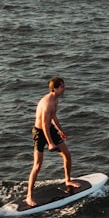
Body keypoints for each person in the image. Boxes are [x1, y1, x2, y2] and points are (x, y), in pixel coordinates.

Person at [26, 77, 80, 206]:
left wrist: (60, 130)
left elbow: (53, 117)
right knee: (37, 165)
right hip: (40, 133)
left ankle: (67, 180)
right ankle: (29, 196)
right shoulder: (47, 103)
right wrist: (50, 143)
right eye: (61, 86)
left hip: (50, 129)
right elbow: (44, 125)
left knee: (67, 154)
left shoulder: (56, 100)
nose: (64, 88)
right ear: (54, 88)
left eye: (64, 85)